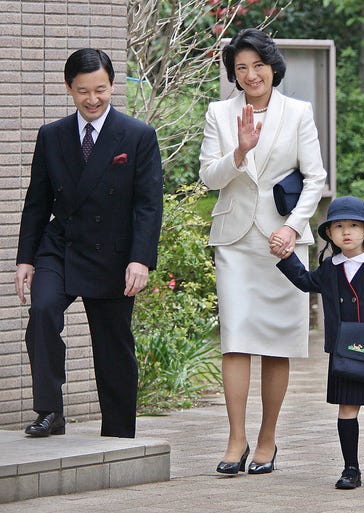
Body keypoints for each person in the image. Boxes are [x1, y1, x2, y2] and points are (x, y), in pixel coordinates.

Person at [15, 48, 163, 439]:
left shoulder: (137, 135)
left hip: (114, 253)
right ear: (69, 89)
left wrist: (140, 260)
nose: (93, 99)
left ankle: (118, 431)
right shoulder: (52, 136)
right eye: (83, 91)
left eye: (100, 89)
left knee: (113, 342)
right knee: (43, 313)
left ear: (112, 85)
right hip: (60, 246)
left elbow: (149, 205)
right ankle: (50, 410)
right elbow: (37, 201)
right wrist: (25, 259)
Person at [199, 28, 326, 474]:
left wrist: (292, 229)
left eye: (258, 65)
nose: (251, 75)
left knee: (276, 344)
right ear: (233, 75)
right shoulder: (219, 113)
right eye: (241, 68)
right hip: (235, 240)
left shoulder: (298, 112)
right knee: (235, 340)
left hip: (282, 244)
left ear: (273, 67)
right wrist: (239, 152)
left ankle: (268, 438)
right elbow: (208, 178)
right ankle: (236, 440)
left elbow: (315, 178)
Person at [272, 195, 364, 488]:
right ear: (329, 233)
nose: (346, 232)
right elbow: (304, 281)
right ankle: (351, 469)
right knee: (347, 409)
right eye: (338, 226)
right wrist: (286, 257)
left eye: (354, 225)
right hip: (346, 354)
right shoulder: (330, 268)